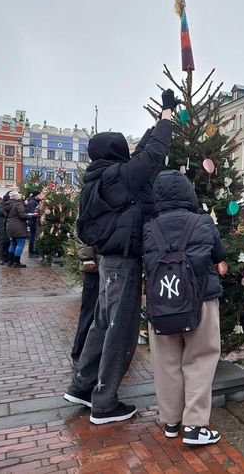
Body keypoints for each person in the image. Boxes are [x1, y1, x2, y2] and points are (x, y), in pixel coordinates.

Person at [63, 89, 178, 425]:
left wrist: (158, 119)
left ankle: (83, 385)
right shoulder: (118, 178)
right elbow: (153, 154)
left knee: (102, 323)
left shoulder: (103, 177)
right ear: (116, 154)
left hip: (107, 263)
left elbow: (141, 153)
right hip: (122, 264)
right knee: (121, 330)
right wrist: (168, 118)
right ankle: (104, 401)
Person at [143, 170, 226, 445]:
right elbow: (220, 255)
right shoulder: (203, 222)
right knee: (200, 360)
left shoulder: (149, 226)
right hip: (200, 299)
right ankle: (194, 426)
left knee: (165, 363)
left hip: (161, 304)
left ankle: (170, 422)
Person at [70, 238, 99, 366]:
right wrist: (87, 258)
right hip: (95, 269)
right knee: (89, 314)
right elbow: (82, 233)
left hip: (114, 269)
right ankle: (79, 352)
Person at [6, 190, 33, 267]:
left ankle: (10, 261)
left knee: (13, 243)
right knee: (20, 243)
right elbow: (23, 216)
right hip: (18, 227)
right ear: (16, 197)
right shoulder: (18, 204)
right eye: (18, 195)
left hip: (10, 226)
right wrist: (32, 216)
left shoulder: (7, 204)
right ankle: (16, 262)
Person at [0, 192, 11, 265]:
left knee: (8, 242)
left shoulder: (3, 206)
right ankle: (1, 258)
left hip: (7, 225)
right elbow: (2, 213)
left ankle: (6, 258)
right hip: (2, 225)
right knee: (3, 242)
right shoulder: (2, 206)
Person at [27, 190, 41, 258]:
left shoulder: (35, 201)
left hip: (35, 221)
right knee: (32, 237)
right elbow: (32, 212)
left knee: (35, 237)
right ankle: (31, 252)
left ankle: (36, 251)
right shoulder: (32, 202)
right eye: (40, 194)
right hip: (33, 222)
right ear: (37, 195)